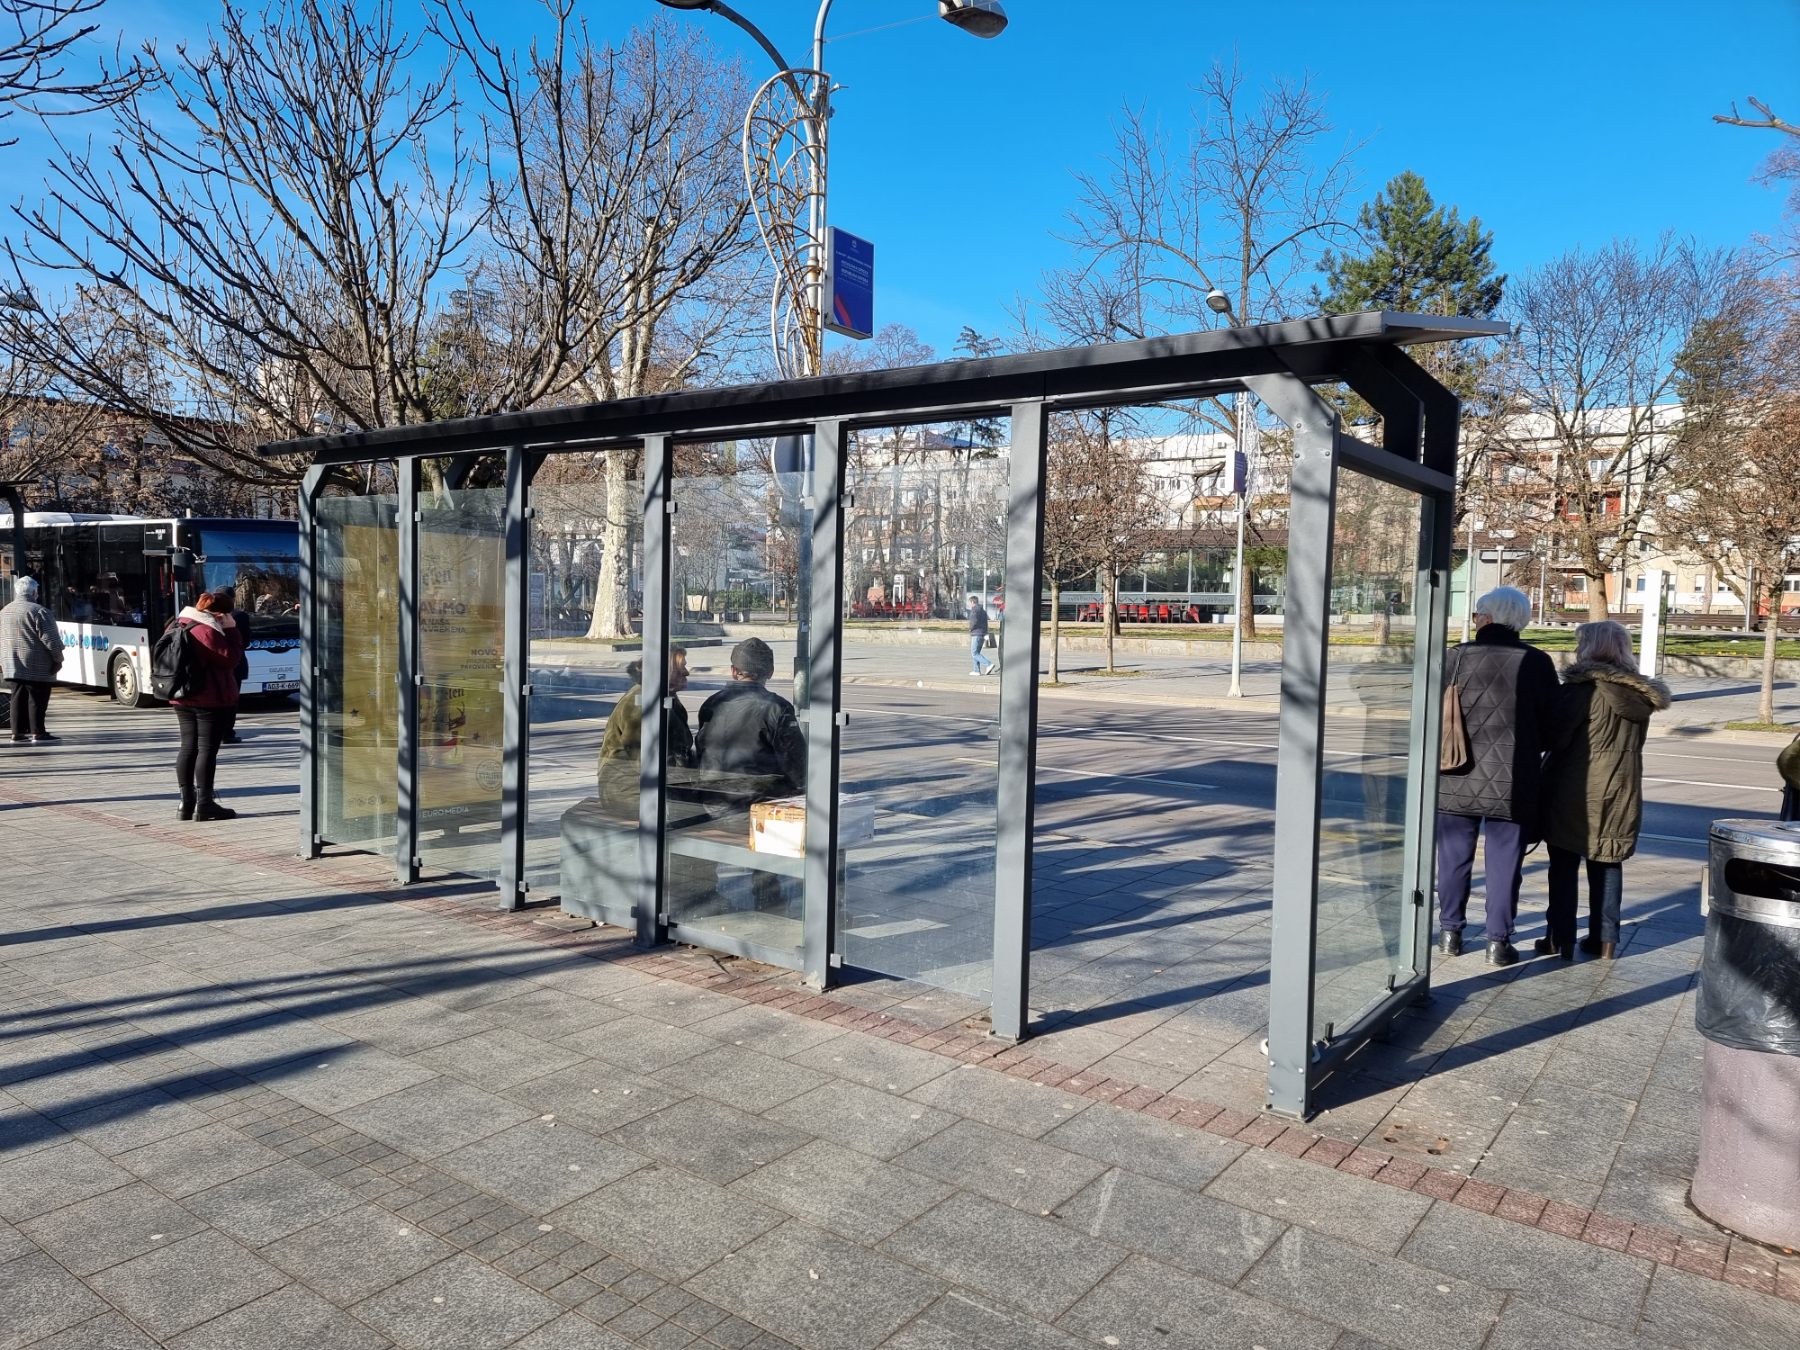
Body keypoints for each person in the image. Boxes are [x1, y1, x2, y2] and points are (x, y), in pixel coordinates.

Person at [1436, 586, 1560, 966]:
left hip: (1456, 773)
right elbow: (1552, 729)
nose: (1474, 620)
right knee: (1506, 861)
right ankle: (1497, 942)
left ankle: (1449, 933)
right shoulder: (1537, 662)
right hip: (1514, 779)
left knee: (1453, 856)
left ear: (1487, 618)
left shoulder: (1454, 658)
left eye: (1476, 614)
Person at [1537, 621, 1670, 960]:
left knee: (1564, 865)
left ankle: (1559, 938)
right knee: (1608, 861)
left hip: (1576, 789)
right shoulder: (1639, 695)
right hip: (1622, 788)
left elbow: (1554, 738)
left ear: (1590, 648)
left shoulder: (1582, 690)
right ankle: (1605, 940)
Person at [693, 637, 807, 912]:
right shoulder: (777, 708)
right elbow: (798, 765)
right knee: (825, 830)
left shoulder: (711, 704)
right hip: (751, 811)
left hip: (711, 804)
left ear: (734, 671)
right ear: (768, 673)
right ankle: (774, 903)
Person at [170, 591, 246, 821]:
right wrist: (232, 630)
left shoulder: (178, 623)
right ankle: (204, 804)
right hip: (209, 697)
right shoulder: (207, 630)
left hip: (182, 695)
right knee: (206, 750)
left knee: (188, 747)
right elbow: (231, 658)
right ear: (220, 614)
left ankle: (186, 803)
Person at [597, 646, 693, 810]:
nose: (686, 672)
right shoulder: (642, 702)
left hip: (645, 789)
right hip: (631, 793)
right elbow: (646, 762)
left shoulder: (664, 697)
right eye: (681, 667)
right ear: (665, 671)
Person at [1, 576, 64, 744]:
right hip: (37, 663)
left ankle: (17, 732)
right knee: (38, 697)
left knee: (17, 696)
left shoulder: (5, 611)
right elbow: (51, 640)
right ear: (35, 592)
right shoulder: (39, 611)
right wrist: (58, 659)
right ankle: (38, 731)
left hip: (11, 662)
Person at [215, 587, 252, 744]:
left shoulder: (207, 617)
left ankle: (215, 731)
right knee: (231, 699)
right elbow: (246, 641)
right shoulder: (239, 617)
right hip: (235, 663)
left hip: (215, 663)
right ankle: (227, 733)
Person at [967, 593, 995, 676]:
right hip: (982, 633)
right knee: (976, 652)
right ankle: (976, 670)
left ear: (972, 602)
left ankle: (989, 664)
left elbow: (974, 621)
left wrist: (970, 628)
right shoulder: (982, 611)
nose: (969, 604)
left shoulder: (975, 610)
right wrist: (986, 632)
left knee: (974, 653)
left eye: (969, 602)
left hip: (976, 633)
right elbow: (986, 623)